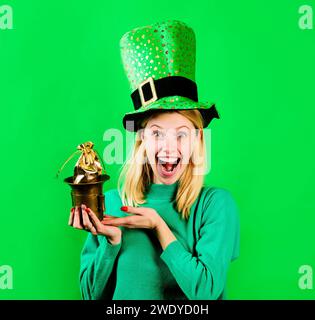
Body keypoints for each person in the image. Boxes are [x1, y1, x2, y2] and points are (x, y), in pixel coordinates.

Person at [68, 19, 240, 300]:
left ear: (198, 140)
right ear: (141, 139)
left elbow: (205, 291)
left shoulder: (215, 206)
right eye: (157, 133)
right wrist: (110, 244)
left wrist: (159, 226)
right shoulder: (111, 203)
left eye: (181, 134)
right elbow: (89, 294)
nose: (169, 147)